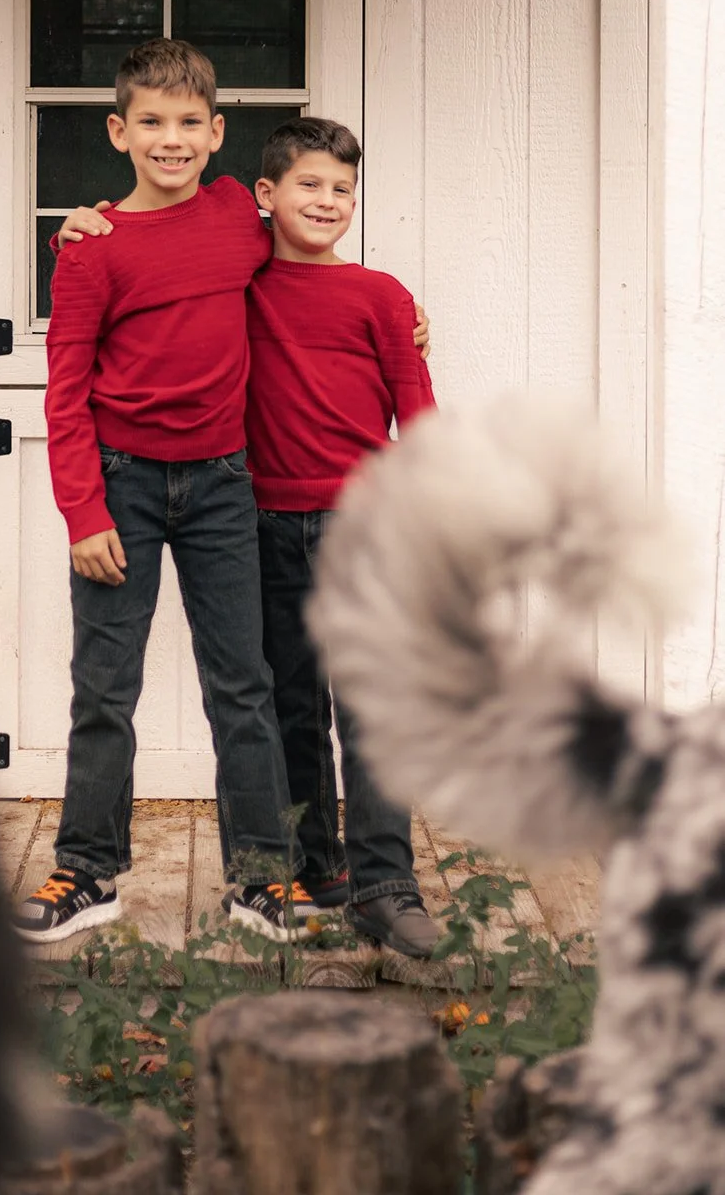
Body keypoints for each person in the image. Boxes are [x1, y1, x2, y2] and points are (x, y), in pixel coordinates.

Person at [14, 38, 319, 946]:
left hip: (225, 483)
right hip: (123, 487)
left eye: (190, 122)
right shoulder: (91, 251)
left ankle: (262, 877)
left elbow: (309, 252)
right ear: (120, 133)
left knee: (244, 686)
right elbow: (65, 391)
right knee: (105, 688)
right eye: (151, 122)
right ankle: (87, 870)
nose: (172, 139)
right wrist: (83, 513)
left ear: (218, 133)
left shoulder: (235, 215)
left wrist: (399, 315)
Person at [246, 116, 440, 956]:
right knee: (290, 705)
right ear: (266, 194)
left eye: (344, 190)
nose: (329, 201)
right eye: (310, 185)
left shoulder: (381, 296)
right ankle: (316, 866)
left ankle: (385, 884)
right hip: (261, 524)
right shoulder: (238, 285)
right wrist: (85, 221)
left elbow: (417, 411)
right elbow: (172, 229)